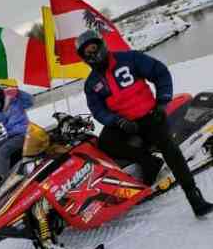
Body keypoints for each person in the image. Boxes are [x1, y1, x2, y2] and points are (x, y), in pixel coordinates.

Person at [76, 29, 213, 218]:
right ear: (84, 58)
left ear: (102, 45)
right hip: (125, 123)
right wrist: (117, 121)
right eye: (87, 53)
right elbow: (98, 110)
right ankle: (148, 162)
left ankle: (194, 196)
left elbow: (160, 72)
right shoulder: (91, 84)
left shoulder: (129, 58)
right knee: (105, 143)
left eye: (94, 48)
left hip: (150, 115)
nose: (92, 54)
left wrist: (162, 102)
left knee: (170, 149)